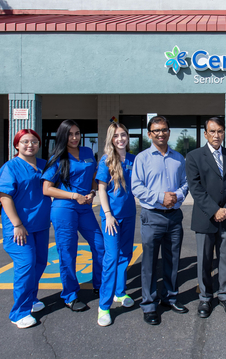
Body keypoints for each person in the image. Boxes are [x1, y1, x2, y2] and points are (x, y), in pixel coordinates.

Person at [42, 120, 105, 312]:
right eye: (70, 134)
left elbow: (93, 177)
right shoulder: (58, 157)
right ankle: (70, 295)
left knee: (100, 245)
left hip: (84, 206)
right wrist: (74, 195)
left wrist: (92, 193)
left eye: (77, 133)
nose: (75, 138)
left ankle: (100, 284)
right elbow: (46, 189)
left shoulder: (86, 152)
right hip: (64, 208)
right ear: (63, 136)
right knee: (68, 251)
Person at [132, 116, 189, 326]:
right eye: (156, 130)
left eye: (164, 129)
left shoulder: (178, 158)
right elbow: (136, 187)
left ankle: (170, 297)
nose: (160, 133)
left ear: (169, 132)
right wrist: (160, 197)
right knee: (149, 263)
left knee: (172, 260)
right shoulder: (142, 158)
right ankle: (148, 304)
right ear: (149, 134)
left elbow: (185, 183)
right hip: (152, 216)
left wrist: (176, 196)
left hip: (174, 216)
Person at [0, 129, 51, 328]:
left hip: (40, 225)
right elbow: (5, 197)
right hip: (19, 228)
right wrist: (17, 224)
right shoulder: (10, 167)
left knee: (40, 262)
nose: (30, 145)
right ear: (17, 145)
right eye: (24, 142)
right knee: (26, 264)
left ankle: (31, 299)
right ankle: (19, 312)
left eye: (34, 141)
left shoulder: (43, 165)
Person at [186, 117, 226, 319]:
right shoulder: (194, 157)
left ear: (224, 132)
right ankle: (205, 297)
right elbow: (196, 188)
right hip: (205, 218)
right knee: (205, 260)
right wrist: (214, 210)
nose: (216, 135)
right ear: (205, 134)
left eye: (220, 131)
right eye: (212, 131)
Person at [95, 123, 136, 327]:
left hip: (129, 215)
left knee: (125, 256)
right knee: (111, 258)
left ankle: (120, 293)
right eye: (117, 136)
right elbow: (101, 190)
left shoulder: (132, 159)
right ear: (111, 139)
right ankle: (104, 306)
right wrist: (108, 214)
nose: (121, 139)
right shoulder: (106, 161)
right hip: (112, 218)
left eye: (124, 135)